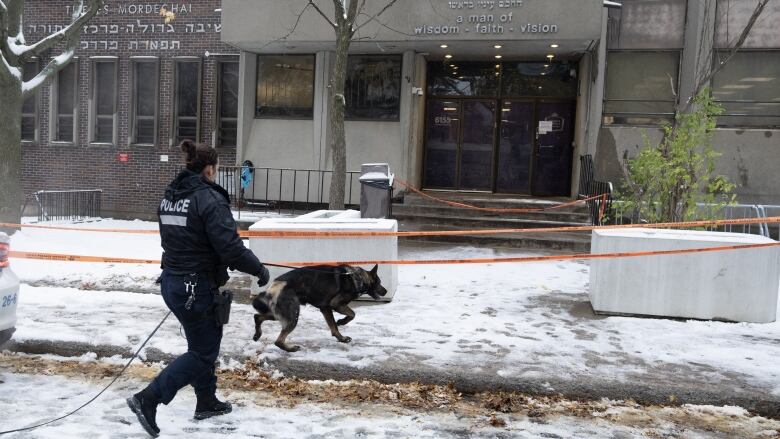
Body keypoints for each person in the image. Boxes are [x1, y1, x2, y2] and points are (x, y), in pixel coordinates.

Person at [127, 140, 270, 437]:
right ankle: (148, 399)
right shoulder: (208, 199)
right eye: (215, 168)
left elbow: (181, 238)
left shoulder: (171, 196)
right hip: (195, 286)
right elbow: (230, 247)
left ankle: (206, 401)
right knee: (203, 352)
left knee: (202, 345)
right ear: (210, 168)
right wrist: (258, 269)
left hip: (174, 282)